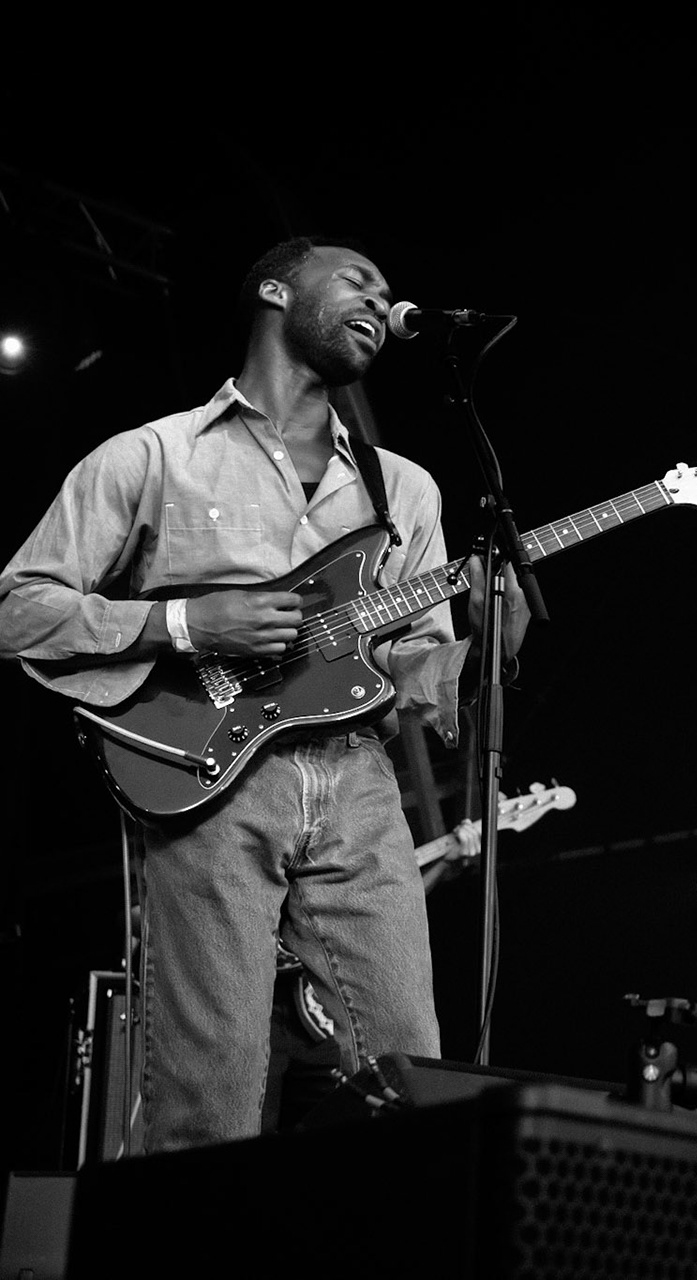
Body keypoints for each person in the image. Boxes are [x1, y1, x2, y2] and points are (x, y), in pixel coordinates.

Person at [0, 237, 529, 1151]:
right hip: (206, 779)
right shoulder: (153, 456)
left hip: (359, 779)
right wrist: (184, 626)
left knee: (412, 1071)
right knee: (213, 1091)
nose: (380, 297)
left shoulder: (402, 486)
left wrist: (491, 639)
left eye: (390, 289)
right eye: (358, 277)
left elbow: (416, 668)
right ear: (278, 290)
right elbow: (21, 610)